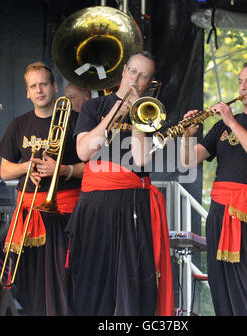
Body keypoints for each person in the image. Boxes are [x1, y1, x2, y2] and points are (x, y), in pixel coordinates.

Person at [65, 51, 174, 316]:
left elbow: (140, 159)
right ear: (124, 71)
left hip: (133, 204)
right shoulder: (94, 107)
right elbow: (83, 152)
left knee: (134, 283)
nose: (136, 80)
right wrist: (116, 110)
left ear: (150, 83)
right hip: (95, 202)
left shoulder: (151, 114)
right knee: (91, 281)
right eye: (133, 72)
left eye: (144, 77)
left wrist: (137, 117)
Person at [180, 61, 247, 316]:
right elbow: (188, 161)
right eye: (240, 81)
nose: (242, 86)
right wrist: (188, 134)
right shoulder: (221, 126)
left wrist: (231, 121)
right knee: (221, 287)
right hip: (220, 214)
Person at [0, 62, 84, 315]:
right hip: (29, 212)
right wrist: (27, 167)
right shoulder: (18, 125)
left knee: (63, 281)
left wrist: (63, 169)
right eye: (33, 86)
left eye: (43, 84)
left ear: (54, 87)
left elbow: (90, 167)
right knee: (31, 282)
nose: (39, 90)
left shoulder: (77, 121)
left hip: (64, 212)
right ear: (27, 92)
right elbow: (4, 171)